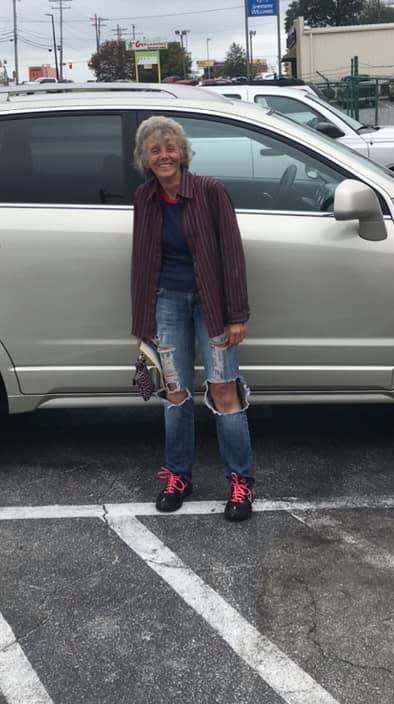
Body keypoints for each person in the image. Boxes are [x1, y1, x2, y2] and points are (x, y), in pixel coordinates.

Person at [131, 116, 255, 522]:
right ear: (145, 159)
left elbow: (232, 255)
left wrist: (237, 314)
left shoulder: (210, 191)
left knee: (223, 392)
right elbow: (142, 263)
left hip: (213, 304)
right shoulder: (144, 199)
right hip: (167, 301)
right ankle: (178, 476)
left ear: (182, 154)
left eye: (170, 148)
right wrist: (142, 326)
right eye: (155, 150)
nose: (164, 155)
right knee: (175, 393)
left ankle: (241, 481)